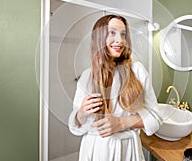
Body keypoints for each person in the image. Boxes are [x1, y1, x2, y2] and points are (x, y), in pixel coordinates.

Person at [68, 14, 163, 161]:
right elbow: (74, 127)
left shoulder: (137, 70)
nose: (120, 40)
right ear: (99, 37)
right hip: (94, 150)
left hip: (127, 151)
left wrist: (121, 123)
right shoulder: (87, 77)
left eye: (123, 34)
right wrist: (81, 113)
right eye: (112, 33)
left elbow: (156, 118)